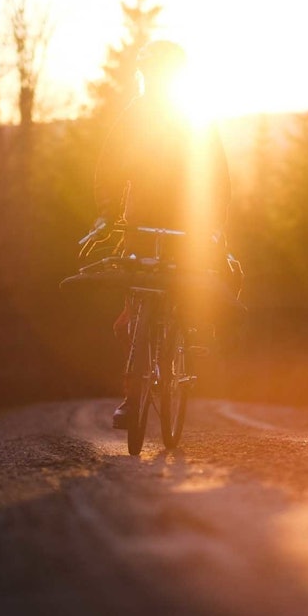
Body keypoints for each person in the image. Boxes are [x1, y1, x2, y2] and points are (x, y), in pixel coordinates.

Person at [93, 40, 233, 428]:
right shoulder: (132, 116)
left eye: (158, 75)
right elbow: (108, 167)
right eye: (146, 75)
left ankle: (189, 336)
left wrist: (215, 225)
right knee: (129, 319)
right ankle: (132, 396)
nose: (150, 82)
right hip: (138, 226)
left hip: (186, 225)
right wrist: (107, 213)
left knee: (189, 285)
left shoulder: (195, 119)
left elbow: (217, 175)